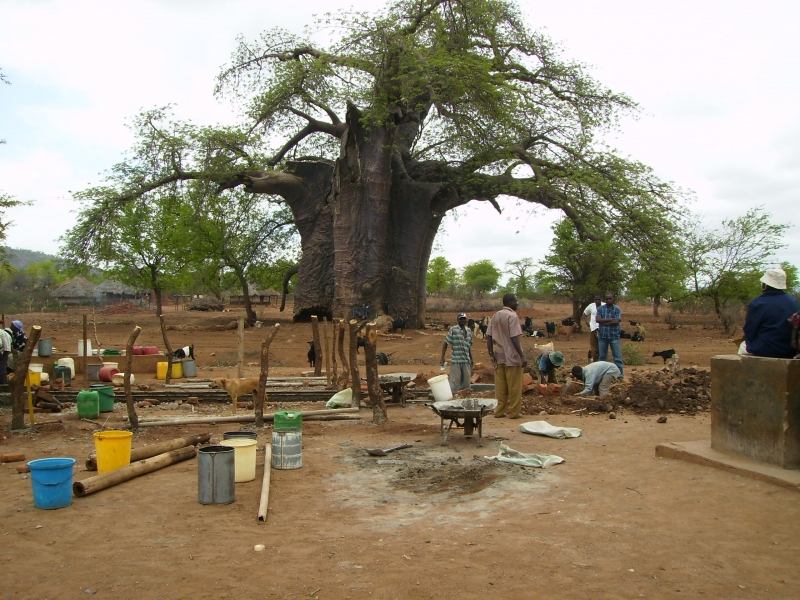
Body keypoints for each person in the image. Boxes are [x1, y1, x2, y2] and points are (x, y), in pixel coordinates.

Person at [740, 268, 799, 358]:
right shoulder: (793, 302)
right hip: (791, 350)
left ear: (765, 285)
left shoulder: (758, 303)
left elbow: (750, 330)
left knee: (742, 347)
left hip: (766, 349)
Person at [486, 293, 527, 419]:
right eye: (515, 301)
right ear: (509, 302)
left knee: (500, 386)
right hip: (512, 356)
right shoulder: (512, 316)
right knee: (514, 386)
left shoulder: (495, 315)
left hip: (499, 356)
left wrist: (491, 353)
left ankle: (499, 411)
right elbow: (514, 337)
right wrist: (522, 356)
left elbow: (488, 336)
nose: (517, 303)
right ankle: (514, 412)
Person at [440, 312, 474, 392]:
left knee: (466, 384)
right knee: (454, 382)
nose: (463, 321)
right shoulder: (453, 329)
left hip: (466, 360)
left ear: (466, 320)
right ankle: (453, 399)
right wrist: (442, 357)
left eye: (464, 319)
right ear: (457, 320)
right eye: (461, 319)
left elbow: (468, 347)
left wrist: (471, 359)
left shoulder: (469, 331)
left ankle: (465, 400)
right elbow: (445, 343)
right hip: (456, 360)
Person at [595, 292, 623, 376]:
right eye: (607, 299)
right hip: (602, 336)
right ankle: (601, 375)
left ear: (613, 299)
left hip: (614, 336)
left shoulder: (617, 309)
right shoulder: (600, 309)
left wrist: (604, 321)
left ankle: (620, 376)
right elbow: (597, 320)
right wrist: (611, 320)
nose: (608, 300)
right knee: (602, 357)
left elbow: (617, 321)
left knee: (617, 357)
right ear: (605, 300)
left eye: (610, 298)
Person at [582, 295, 603, 362]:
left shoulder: (604, 305)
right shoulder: (591, 306)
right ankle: (595, 360)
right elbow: (584, 314)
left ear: (601, 299)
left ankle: (601, 360)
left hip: (602, 328)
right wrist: (586, 322)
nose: (598, 301)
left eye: (599, 299)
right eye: (596, 299)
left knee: (602, 345)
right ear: (594, 300)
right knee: (593, 345)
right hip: (593, 328)